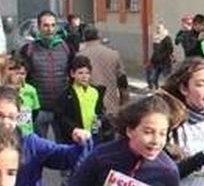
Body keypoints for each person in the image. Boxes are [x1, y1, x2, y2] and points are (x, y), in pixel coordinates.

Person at [0, 86, 89, 186]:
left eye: (11, 117)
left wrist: (80, 143)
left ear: (18, 118)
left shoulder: (31, 144)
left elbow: (65, 156)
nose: (5, 122)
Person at [18, 13, 71, 141]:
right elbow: (20, 75)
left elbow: (74, 73)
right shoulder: (28, 49)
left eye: (53, 25)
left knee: (63, 148)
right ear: (39, 27)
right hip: (39, 108)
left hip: (61, 109)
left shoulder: (66, 47)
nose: (50, 29)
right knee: (39, 147)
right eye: (46, 25)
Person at [76, 26, 127, 120]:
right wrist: (124, 101)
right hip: (110, 106)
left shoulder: (79, 55)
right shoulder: (113, 54)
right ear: (99, 36)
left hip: (88, 107)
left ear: (84, 37)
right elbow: (122, 80)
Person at [56, 55, 103, 142]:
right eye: (80, 73)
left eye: (87, 73)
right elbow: (61, 116)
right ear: (72, 74)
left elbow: (98, 112)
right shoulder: (66, 94)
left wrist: (96, 130)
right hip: (75, 136)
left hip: (92, 135)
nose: (84, 76)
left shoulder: (95, 92)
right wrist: (74, 130)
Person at [149, 21, 175, 89]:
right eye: (157, 28)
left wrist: (163, 56)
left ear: (163, 29)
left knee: (167, 79)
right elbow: (155, 50)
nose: (158, 29)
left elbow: (170, 49)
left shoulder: (167, 38)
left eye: (159, 28)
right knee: (153, 78)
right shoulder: (155, 38)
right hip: (156, 62)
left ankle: (168, 91)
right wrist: (152, 59)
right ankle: (156, 90)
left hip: (165, 62)